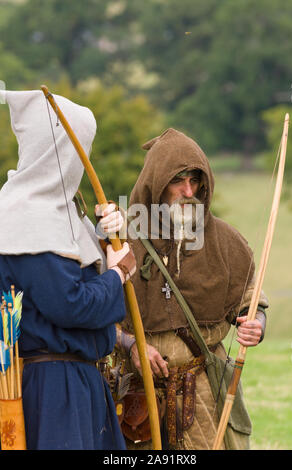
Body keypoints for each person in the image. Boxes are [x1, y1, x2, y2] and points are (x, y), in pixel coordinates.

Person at [116, 128, 268, 450]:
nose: (189, 191)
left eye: (195, 181)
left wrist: (257, 326)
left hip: (203, 396)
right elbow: (95, 316)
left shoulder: (225, 240)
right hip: (137, 400)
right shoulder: (121, 240)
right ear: (156, 184)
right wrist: (131, 345)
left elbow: (252, 304)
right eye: (178, 180)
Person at [0, 89, 135, 450]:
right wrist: (118, 275)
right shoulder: (26, 215)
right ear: (55, 149)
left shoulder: (51, 213)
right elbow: (69, 304)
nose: (82, 159)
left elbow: (69, 274)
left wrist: (103, 239)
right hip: (52, 388)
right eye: (77, 149)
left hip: (76, 381)